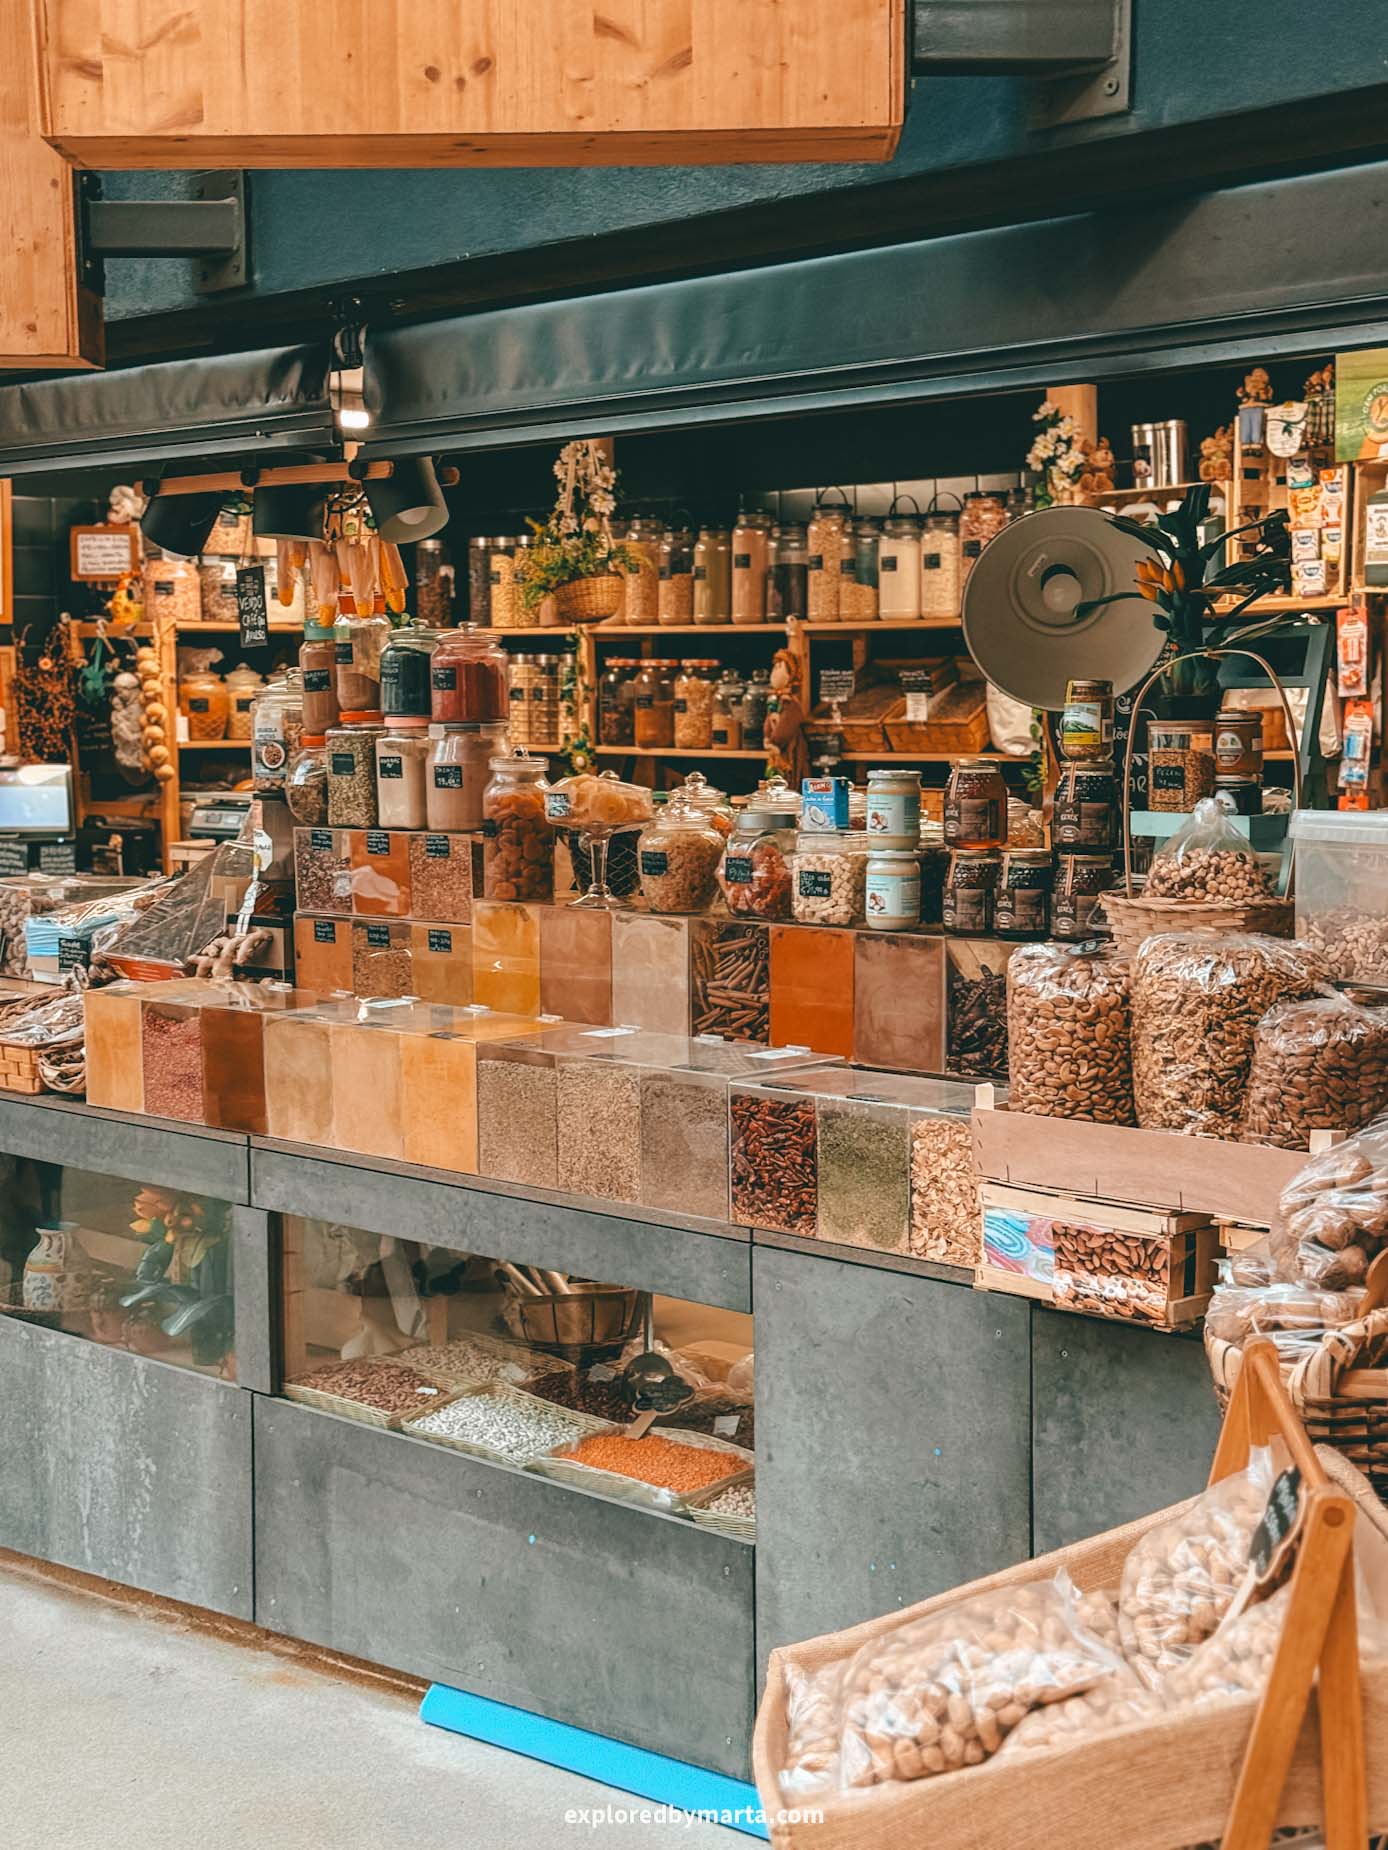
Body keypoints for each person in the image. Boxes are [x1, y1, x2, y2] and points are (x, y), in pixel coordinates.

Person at [764, 647, 809, 790]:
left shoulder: (791, 703)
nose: (774, 673)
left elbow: (788, 723)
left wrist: (776, 742)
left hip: (789, 747)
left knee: (792, 771)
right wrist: (767, 737)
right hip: (775, 749)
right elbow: (768, 719)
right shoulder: (775, 700)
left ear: (791, 673)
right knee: (775, 773)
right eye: (775, 668)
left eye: (779, 668)